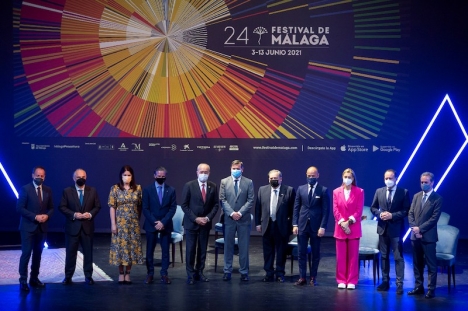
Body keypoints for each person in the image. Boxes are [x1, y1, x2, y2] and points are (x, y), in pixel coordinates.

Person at [370, 169, 410, 294]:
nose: (388, 180)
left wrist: (392, 215)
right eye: (386, 178)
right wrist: (380, 214)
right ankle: (385, 281)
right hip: (383, 229)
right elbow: (373, 207)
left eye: (390, 178)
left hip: (396, 230)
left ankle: (399, 284)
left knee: (398, 257)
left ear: (396, 178)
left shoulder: (403, 192)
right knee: (383, 256)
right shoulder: (379, 191)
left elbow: (406, 211)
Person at [59, 168, 101, 285]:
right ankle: (68, 277)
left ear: (86, 177)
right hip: (72, 227)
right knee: (70, 253)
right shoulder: (67, 191)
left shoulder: (92, 191)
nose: (81, 179)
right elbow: (62, 207)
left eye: (83, 177)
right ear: (73, 178)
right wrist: (74, 214)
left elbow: (97, 206)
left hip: (87, 227)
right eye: (78, 177)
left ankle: (88, 276)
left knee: (88, 253)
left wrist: (90, 214)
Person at [16, 166, 54, 292]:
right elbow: (20, 208)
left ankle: (34, 279)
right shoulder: (25, 189)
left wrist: (47, 216)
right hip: (27, 228)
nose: (40, 177)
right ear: (33, 175)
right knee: (26, 254)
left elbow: (51, 208)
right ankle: (23, 280)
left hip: (42, 228)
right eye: (38, 175)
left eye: (42, 176)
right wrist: (35, 217)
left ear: (45, 177)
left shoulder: (48, 190)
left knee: (38, 254)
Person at [181, 163, 219, 285]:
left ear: (209, 173)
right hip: (192, 223)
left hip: (205, 224)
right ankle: (190, 275)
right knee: (191, 250)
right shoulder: (189, 185)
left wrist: (207, 218)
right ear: (197, 172)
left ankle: (199, 272)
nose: (203, 174)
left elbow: (215, 205)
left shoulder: (213, 186)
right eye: (201, 172)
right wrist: (195, 218)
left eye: (206, 172)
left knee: (202, 250)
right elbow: (184, 205)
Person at [255, 169, 296, 283]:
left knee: (281, 252)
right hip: (267, 225)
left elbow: (293, 210)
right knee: (268, 252)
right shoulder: (262, 190)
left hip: (282, 226)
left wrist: (293, 225)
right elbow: (258, 208)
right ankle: (269, 273)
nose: (273, 180)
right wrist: (258, 223)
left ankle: (280, 273)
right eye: (271, 178)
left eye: (276, 178)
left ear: (281, 179)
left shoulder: (289, 190)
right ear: (268, 179)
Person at [292, 166, 330, 286]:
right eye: (309, 176)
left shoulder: (323, 190)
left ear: (318, 175)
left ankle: (313, 277)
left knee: (315, 253)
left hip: (316, 227)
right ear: (306, 175)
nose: (311, 178)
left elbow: (325, 211)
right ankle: (302, 277)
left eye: (313, 176)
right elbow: (296, 207)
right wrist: (295, 224)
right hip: (302, 226)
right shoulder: (301, 189)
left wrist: (323, 226)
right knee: (301, 252)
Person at [407, 172, 443, 299]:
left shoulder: (437, 198)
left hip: (428, 237)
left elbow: (434, 219)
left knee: (431, 264)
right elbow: (410, 213)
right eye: (422, 182)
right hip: (415, 236)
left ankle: (431, 289)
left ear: (432, 182)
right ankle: (418, 287)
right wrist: (415, 229)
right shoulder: (416, 196)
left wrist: (419, 229)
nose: (423, 184)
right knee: (417, 263)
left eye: (426, 182)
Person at [219, 160, 254, 281]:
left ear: (242, 169)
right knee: (228, 246)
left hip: (243, 219)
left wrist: (239, 213)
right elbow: (222, 200)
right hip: (229, 219)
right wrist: (232, 213)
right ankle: (227, 271)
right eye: (233, 168)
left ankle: (244, 272)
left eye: (238, 168)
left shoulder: (248, 182)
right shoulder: (224, 181)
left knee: (243, 247)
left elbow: (250, 200)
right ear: (230, 169)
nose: (235, 170)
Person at [109, 165, 144, 284]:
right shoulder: (115, 188)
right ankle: (120, 273)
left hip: (133, 225)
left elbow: (140, 206)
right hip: (120, 224)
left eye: (129, 175)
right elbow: (112, 207)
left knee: (130, 249)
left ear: (132, 176)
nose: (127, 177)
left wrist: (136, 219)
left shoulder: (138, 188)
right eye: (125, 175)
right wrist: (113, 224)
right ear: (121, 176)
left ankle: (128, 273)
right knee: (120, 249)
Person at [143, 166, 177, 284]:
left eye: (163, 176)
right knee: (149, 251)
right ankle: (150, 274)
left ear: (165, 176)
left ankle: (164, 274)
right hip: (151, 225)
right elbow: (145, 209)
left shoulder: (171, 190)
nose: (161, 178)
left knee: (165, 251)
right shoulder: (147, 190)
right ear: (154, 176)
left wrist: (163, 222)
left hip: (165, 225)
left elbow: (172, 209)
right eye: (159, 176)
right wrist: (155, 222)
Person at [333, 168, 364, 290]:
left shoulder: (359, 191)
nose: (347, 179)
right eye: (345, 176)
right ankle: (341, 280)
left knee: (353, 257)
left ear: (353, 178)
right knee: (341, 257)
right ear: (342, 177)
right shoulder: (336, 192)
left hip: (353, 228)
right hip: (340, 228)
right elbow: (335, 210)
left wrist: (349, 222)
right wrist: (343, 223)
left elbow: (359, 210)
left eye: (349, 177)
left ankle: (352, 280)